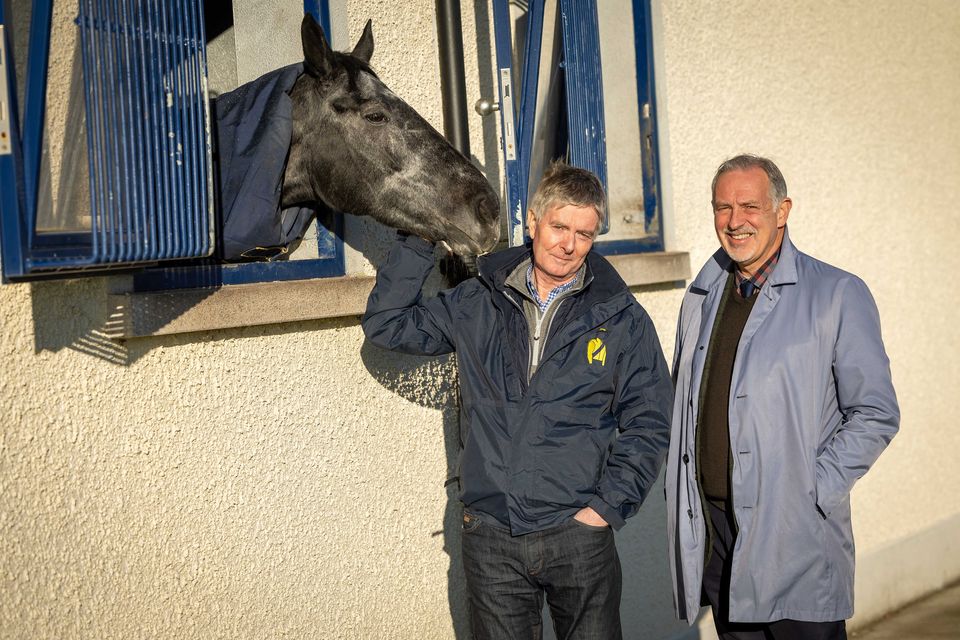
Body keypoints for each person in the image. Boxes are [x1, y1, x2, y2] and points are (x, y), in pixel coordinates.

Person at [363, 162, 673, 639]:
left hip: (578, 538)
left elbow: (650, 422)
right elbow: (388, 324)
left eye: (585, 234)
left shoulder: (621, 319)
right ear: (533, 222)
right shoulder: (477, 302)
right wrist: (422, 238)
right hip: (492, 538)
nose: (569, 244)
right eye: (560, 227)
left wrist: (604, 509)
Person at [666, 154, 900, 639]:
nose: (734, 222)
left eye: (750, 206)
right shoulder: (702, 297)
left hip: (795, 536)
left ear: (783, 210)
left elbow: (875, 413)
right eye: (722, 207)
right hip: (719, 535)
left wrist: (811, 490)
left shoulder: (836, 294)